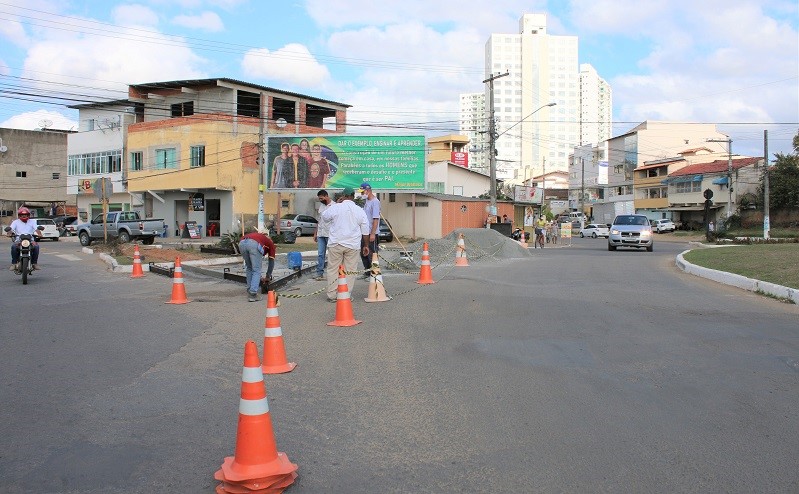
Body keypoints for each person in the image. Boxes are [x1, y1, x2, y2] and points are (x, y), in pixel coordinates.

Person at [320, 187, 369, 303]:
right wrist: (366, 245)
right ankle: (345, 294)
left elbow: (324, 217)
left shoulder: (336, 207)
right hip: (352, 245)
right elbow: (365, 230)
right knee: (350, 270)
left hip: (336, 243)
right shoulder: (359, 210)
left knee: (333, 269)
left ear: (343, 195)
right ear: (353, 196)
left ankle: (332, 295)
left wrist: (336, 204)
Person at [238, 227, 276, 302]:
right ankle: (253, 294)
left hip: (242, 243)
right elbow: (271, 262)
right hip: (253, 244)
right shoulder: (270, 243)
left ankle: (250, 290)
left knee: (249, 268)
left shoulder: (259, 237)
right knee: (257, 270)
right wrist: (268, 276)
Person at [6, 207, 42, 271]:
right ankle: (14, 264)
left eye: (26, 215)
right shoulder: (15, 222)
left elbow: (36, 229)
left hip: (30, 239)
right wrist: (9, 233)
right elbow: (11, 229)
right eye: (22, 215)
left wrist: (39, 233)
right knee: (14, 247)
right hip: (19, 239)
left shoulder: (32, 221)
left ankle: (34, 263)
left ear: (28, 215)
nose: (24, 216)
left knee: (36, 246)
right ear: (19, 215)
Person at [359, 182, 380, 278]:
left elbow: (376, 219)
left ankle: (375, 274)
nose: (362, 194)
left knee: (372, 254)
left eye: (363, 192)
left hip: (371, 233)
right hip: (364, 232)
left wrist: (372, 233)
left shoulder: (375, 202)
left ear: (368, 191)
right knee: (363, 253)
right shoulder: (366, 201)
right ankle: (367, 272)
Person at [313, 189, 332, 281]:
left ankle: (332, 273)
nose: (320, 200)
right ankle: (319, 273)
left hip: (330, 234)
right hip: (321, 234)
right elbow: (319, 221)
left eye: (321, 198)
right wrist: (315, 233)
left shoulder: (335, 206)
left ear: (326, 196)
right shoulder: (321, 206)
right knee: (320, 254)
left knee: (332, 254)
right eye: (319, 199)